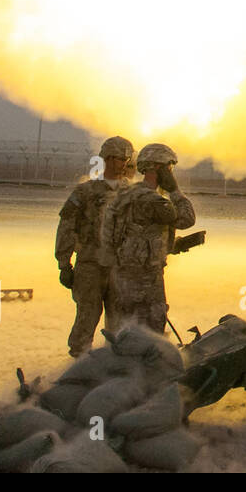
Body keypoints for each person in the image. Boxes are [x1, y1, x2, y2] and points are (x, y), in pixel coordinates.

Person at [99, 143, 196, 334]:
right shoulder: (153, 200)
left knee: (125, 328)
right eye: (169, 168)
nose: (171, 172)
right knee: (151, 329)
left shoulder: (124, 195)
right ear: (158, 167)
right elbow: (187, 218)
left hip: (121, 275)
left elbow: (118, 235)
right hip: (146, 277)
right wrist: (174, 190)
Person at [55, 136, 133, 357]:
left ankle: (115, 368)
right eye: (120, 158)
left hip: (120, 268)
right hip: (90, 266)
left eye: (128, 158)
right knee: (87, 317)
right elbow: (67, 227)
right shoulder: (85, 192)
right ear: (108, 159)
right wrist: (64, 264)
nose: (125, 163)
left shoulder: (133, 194)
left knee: (120, 323)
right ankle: (79, 365)